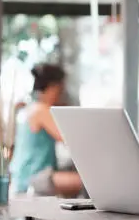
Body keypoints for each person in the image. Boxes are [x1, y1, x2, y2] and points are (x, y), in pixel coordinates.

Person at [9, 63, 84, 198]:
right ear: (53, 87)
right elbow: (70, 140)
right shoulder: (41, 110)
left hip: (23, 176)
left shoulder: (31, 108)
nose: (62, 93)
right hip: (34, 178)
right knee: (86, 183)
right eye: (61, 89)